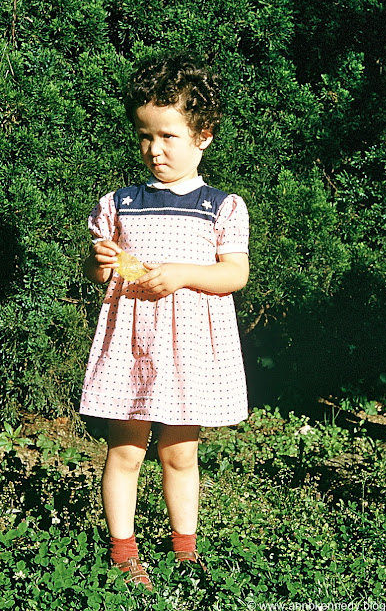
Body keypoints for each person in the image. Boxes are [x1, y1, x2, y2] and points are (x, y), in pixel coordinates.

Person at [79, 53, 249, 591]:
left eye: (168, 136)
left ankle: (185, 550)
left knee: (180, 453)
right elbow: (99, 272)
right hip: (132, 348)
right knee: (125, 449)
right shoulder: (119, 204)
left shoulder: (221, 207)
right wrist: (98, 263)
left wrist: (182, 274)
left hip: (188, 350)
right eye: (145, 136)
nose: (155, 149)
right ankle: (123, 552)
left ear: (204, 136)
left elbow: (234, 275)